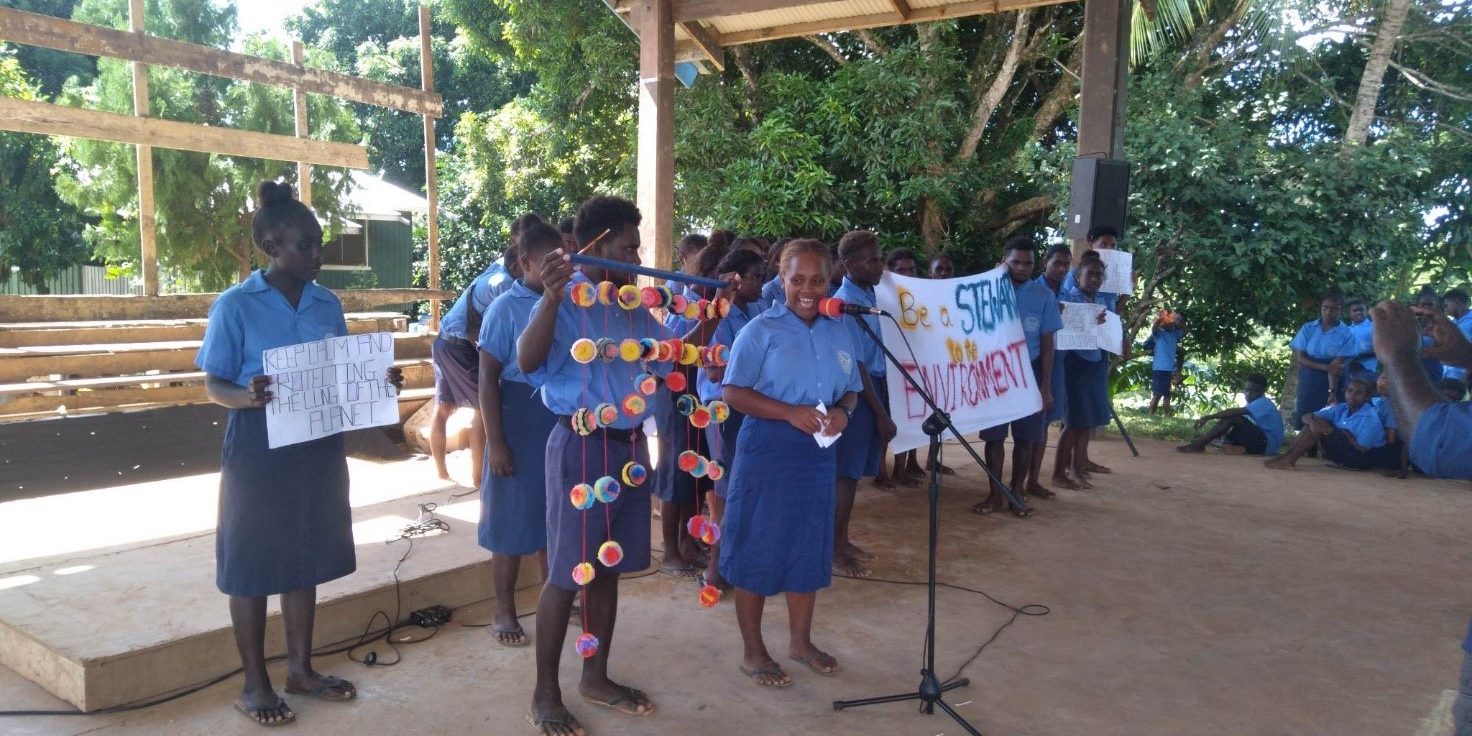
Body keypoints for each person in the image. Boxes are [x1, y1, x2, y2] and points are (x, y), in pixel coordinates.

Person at [196, 181, 404, 726]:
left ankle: (301, 670)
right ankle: (254, 682)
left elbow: (339, 373)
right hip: (258, 448)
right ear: (271, 246)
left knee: (304, 554)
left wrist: (376, 380)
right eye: (305, 246)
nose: (317, 255)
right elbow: (214, 382)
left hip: (316, 444)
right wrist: (247, 396)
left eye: (319, 244)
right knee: (251, 563)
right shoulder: (235, 306)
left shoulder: (326, 302)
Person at [517, 196, 667, 734]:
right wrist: (551, 300)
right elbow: (527, 361)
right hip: (581, 448)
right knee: (567, 574)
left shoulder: (629, 301)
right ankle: (544, 694)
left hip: (627, 447)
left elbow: (670, 350)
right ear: (599, 244)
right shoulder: (564, 295)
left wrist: (716, 307)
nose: (637, 254)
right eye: (629, 246)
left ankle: (595, 676)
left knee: (604, 567)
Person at [720, 238, 859, 688]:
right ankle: (752, 651)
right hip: (768, 448)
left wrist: (844, 412)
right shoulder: (760, 330)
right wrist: (787, 413)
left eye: (817, 280)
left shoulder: (841, 330)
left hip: (817, 452)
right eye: (797, 279)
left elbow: (850, 388)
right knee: (759, 543)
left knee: (807, 544)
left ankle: (801, 643)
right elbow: (733, 392)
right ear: (782, 280)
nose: (808, 288)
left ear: (829, 281)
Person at [476, 218, 561, 647]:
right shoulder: (502, 309)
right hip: (514, 417)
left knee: (553, 515)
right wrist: (495, 442)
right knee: (509, 522)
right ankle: (503, 608)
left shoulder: (567, 300)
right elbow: (487, 380)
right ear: (524, 262)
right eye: (547, 261)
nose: (556, 268)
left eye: (561, 259)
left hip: (553, 417)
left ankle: (555, 598)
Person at [429, 217, 528, 486]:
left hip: (445, 339)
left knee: (444, 408)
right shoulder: (506, 285)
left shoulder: (496, 267)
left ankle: (442, 474)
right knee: (485, 410)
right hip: (459, 345)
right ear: (519, 261)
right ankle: (478, 478)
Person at [653, 239, 729, 576]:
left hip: (698, 396)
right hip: (675, 393)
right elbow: (675, 352)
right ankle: (670, 550)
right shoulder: (689, 304)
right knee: (674, 472)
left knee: (694, 471)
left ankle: (687, 540)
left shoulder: (715, 305)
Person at [697, 248, 766, 594]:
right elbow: (712, 370)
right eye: (755, 276)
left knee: (745, 489)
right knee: (726, 493)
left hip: (748, 407)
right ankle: (715, 572)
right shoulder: (720, 315)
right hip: (722, 410)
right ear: (736, 279)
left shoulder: (755, 309)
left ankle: (735, 563)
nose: (762, 282)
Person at [830, 231, 897, 577]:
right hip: (857, 397)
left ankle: (841, 541)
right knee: (845, 476)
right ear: (848, 264)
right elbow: (856, 365)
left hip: (875, 388)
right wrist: (881, 413)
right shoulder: (845, 305)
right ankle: (834, 549)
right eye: (871, 260)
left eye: (879, 257)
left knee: (853, 476)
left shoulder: (869, 295)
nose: (879, 265)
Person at [976, 237, 1060, 512]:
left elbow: (1048, 345)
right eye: (1016, 262)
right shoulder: (987, 292)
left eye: (1028, 263)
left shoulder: (1043, 296)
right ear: (1004, 261)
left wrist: (1045, 386)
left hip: (1030, 372)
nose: (1022, 268)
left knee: (1026, 438)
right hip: (995, 373)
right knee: (994, 437)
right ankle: (994, 494)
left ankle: (1016, 493)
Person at [1054, 253, 1112, 489]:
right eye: (1090, 274)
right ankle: (1060, 472)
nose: (1095, 279)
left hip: (1093, 362)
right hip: (1074, 363)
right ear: (1078, 276)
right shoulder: (1068, 299)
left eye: (1099, 275)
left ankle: (1078, 468)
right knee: (1074, 421)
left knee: (1086, 421)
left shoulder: (1099, 301)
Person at [1266, 375, 1386, 471]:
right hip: (1343, 450)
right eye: (1349, 391)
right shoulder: (1341, 408)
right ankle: (1287, 456)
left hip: (1361, 459)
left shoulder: (1370, 419)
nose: (1352, 395)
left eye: (1358, 393)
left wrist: (1345, 435)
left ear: (1367, 397)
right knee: (1314, 422)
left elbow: (1363, 449)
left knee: (1319, 425)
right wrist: (1313, 423)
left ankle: (1289, 460)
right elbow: (1306, 416)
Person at [1029, 244, 1072, 490]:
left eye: (1066, 264)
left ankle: (1033, 480)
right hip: (1035, 361)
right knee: (1033, 425)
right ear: (1046, 261)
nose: (1061, 269)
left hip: (1058, 363)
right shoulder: (1034, 290)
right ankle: (1023, 480)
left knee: (1045, 422)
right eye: (1057, 263)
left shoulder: (1068, 292)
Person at [882, 247, 923, 487]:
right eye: (901, 270)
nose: (907, 274)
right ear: (890, 271)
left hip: (914, 366)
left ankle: (901, 467)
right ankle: (881, 472)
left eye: (911, 269)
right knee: (887, 422)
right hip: (888, 367)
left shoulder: (921, 296)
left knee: (910, 418)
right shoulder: (883, 296)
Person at [1288, 289, 1356, 429]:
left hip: (1335, 379)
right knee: (1307, 414)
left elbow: (1336, 365)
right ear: (1320, 308)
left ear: (1340, 310)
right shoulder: (1308, 328)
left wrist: (1332, 390)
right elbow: (1300, 358)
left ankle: (1328, 449)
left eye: (1333, 309)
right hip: (1310, 376)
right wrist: (1326, 367)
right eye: (1325, 308)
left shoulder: (1347, 334)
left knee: (1330, 416)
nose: (1328, 312)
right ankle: (1308, 449)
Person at [1175, 373, 1284, 456]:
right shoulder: (1256, 403)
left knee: (1233, 417)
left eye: (1253, 391)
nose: (1248, 394)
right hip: (1264, 443)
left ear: (1262, 392)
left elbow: (1234, 412)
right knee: (1231, 424)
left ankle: (1198, 445)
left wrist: (1208, 417)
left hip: (1266, 444)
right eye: (1246, 390)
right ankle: (1236, 447)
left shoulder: (1262, 403)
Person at [1144, 311, 1186, 414]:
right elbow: (1154, 328)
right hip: (1159, 368)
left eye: (1173, 323)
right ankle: (1153, 414)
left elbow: (1185, 330)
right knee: (1158, 394)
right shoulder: (1159, 334)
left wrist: (1179, 321)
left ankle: (1163, 415)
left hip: (1169, 369)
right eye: (1170, 323)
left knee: (1165, 394)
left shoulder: (1175, 334)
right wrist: (1160, 319)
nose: (1172, 324)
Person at [1369, 372, 1409, 478]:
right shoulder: (1378, 401)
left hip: (1391, 447)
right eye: (1382, 378)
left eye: (1390, 381)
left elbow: (1392, 435)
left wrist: (1389, 458)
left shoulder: (1392, 404)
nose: (1383, 383)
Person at [1442, 289, 1471, 382]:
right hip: (1445, 376)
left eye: (1446, 305)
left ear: (1456, 302)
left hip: (1463, 377)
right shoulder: (1451, 323)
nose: (1445, 310)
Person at [1345, 298, 1377, 377]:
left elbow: (1380, 351)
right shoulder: (1346, 330)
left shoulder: (1374, 327)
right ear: (1349, 313)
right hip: (1347, 372)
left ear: (1366, 311)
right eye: (1355, 311)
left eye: (1361, 310)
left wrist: (1358, 355)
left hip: (1367, 371)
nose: (1359, 312)